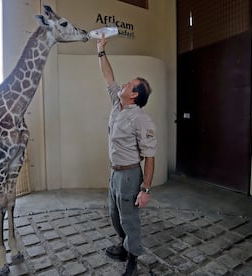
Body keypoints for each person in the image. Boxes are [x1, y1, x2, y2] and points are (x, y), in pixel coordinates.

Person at [96, 34, 157, 276]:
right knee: (114, 215)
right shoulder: (116, 104)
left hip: (131, 175)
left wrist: (146, 189)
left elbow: (150, 156)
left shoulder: (141, 119)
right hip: (114, 173)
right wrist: (101, 51)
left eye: (128, 85)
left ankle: (133, 257)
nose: (123, 85)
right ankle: (124, 246)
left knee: (129, 218)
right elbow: (108, 77)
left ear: (134, 95)